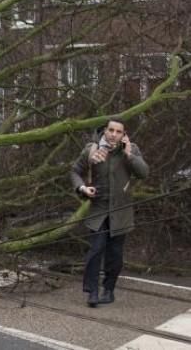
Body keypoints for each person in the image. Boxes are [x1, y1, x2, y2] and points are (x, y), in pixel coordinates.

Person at [70, 118, 149, 308]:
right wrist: (82, 188)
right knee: (96, 250)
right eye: (111, 130)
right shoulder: (92, 149)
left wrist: (130, 155)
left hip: (121, 212)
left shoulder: (131, 150)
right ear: (105, 131)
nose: (114, 134)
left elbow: (143, 173)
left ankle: (109, 290)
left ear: (124, 134)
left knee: (115, 255)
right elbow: (74, 171)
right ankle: (92, 291)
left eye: (118, 131)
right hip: (98, 211)